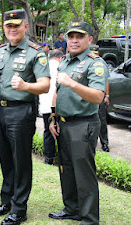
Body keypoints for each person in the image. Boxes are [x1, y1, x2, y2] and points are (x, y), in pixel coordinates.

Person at [0, 10, 50, 225]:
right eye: (8, 26)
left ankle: (19, 208)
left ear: (26, 26)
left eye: (17, 25)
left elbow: (44, 85)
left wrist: (26, 86)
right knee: (5, 158)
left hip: (21, 111)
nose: (12, 29)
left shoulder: (36, 52)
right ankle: (6, 200)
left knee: (21, 161)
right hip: (0, 110)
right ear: (4, 28)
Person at [48, 21, 108, 225]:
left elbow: (99, 97)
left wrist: (72, 83)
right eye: (70, 36)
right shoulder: (65, 61)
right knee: (66, 169)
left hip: (83, 124)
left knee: (84, 173)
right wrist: (53, 117)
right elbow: (57, 91)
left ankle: (90, 218)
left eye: (79, 36)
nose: (74, 40)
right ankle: (71, 208)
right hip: (63, 123)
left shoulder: (95, 63)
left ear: (89, 39)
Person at [39, 49, 63, 165]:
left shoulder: (44, 66)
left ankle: (48, 159)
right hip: (57, 105)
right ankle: (61, 158)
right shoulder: (61, 67)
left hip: (44, 105)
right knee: (59, 132)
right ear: (60, 58)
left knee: (47, 132)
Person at [98, 80, 110, 152]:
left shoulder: (102, 68)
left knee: (102, 120)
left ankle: (104, 143)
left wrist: (107, 96)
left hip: (99, 96)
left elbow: (106, 80)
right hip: (85, 95)